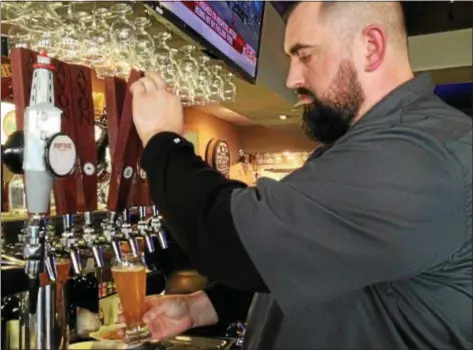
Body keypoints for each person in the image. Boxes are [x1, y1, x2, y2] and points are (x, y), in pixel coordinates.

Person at [126, 2, 472, 349]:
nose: (292, 78)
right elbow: (321, 265)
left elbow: (226, 237)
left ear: (371, 47)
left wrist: (163, 142)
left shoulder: (414, 154)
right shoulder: (378, 144)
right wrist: (205, 306)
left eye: (304, 55)